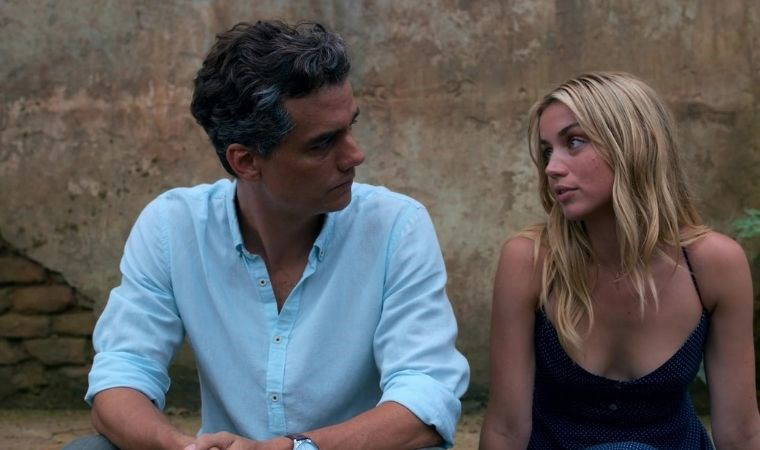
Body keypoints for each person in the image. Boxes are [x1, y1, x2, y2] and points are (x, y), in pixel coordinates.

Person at [67, 20, 469, 450]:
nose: (355, 155)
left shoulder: (396, 227)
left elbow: (426, 397)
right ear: (245, 162)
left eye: (350, 127)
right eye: (322, 143)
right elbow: (121, 376)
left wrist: (294, 448)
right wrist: (179, 447)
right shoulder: (173, 227)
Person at [479, 72, 759, 449]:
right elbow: (505, 429)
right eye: (547, 151)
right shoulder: (530, 261)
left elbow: (740, 432)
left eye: (574, 142)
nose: (551, 168)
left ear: (632, 144)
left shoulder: (713, 264)